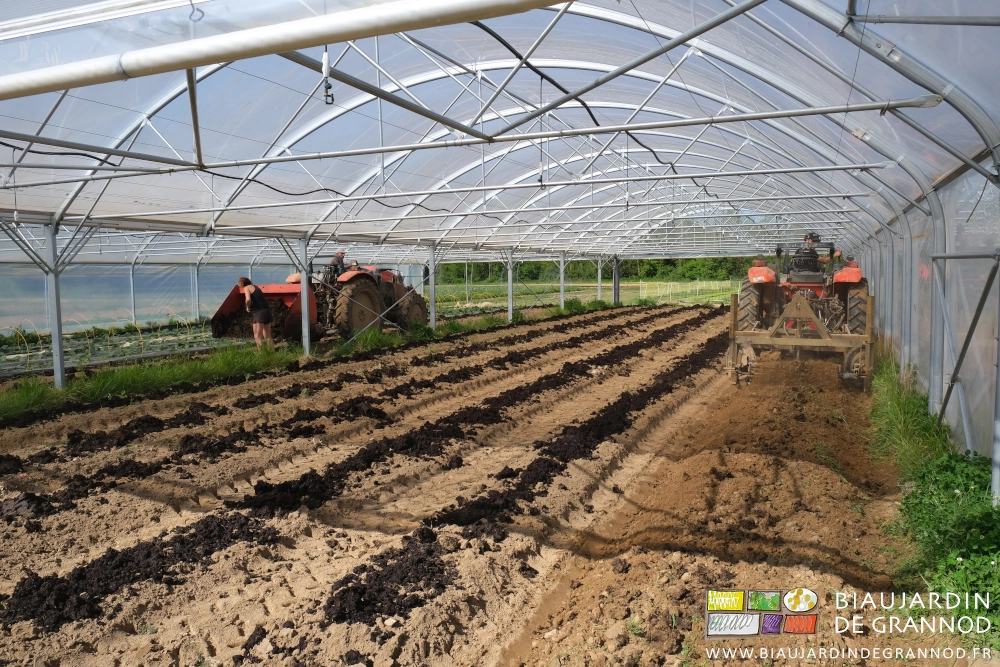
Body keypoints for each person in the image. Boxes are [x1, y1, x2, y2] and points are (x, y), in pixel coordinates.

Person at [237, 277, 273, 349]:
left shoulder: (246, 288)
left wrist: (247, 307)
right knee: (267, 336)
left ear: (242, 284)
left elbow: (248, 299)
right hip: (267, 311)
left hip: (259, 312)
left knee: (257, 336)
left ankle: (262, 354)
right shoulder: (255, 287)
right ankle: (271, 352)